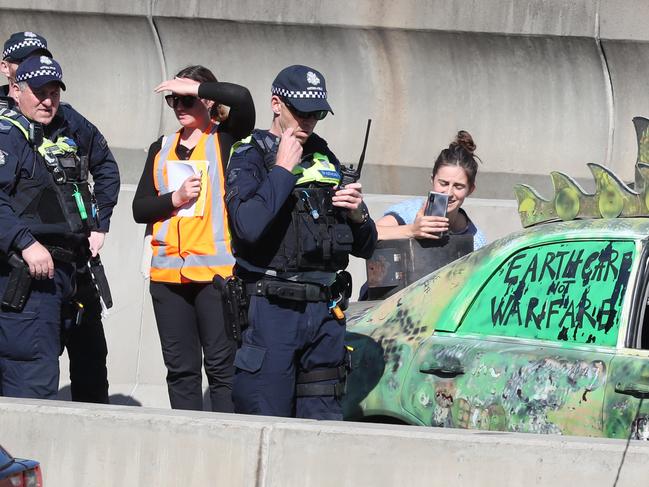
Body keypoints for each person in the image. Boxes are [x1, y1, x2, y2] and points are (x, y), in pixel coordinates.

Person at [225, 64, 377, 420]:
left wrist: (358, 215)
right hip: (272, 307)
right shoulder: (250, 154)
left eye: (317, 114)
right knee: (265, 418)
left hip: (324, 314)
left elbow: (366, 247)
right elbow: (247, 227)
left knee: (323, 425)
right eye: (302, 112)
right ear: (276, 104)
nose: (309, 121)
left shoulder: (326, 157)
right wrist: (281, 170)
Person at [1, 32, 121, 404]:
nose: (47, 99)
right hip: (27, 272)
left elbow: (106, 167)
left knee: (90, 374)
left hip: (73, 271)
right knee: (31, 380)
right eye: (38, 90)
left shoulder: (69, 123)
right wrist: (25, 242)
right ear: (15, 85)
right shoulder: (7, 132)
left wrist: (99, 224)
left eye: (54, 91)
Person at [132, 65, 255, 412]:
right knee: (180, 371)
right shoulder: (162, 146)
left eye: (188, 98)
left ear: (207, 99)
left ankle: (225, 442)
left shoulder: (226, 138)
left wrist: (200, 86)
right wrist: (174, 198)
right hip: (168, 276)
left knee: (221, 369)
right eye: (174, 100)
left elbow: (243, 100)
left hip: (214, 277)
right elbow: (140, 208)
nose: (180, 106)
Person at [376, 130, 487, 250]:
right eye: (443, 183)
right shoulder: (408, 212)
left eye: (458, 186)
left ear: (470, 190)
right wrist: (412, 230)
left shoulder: (475, 240)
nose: (449, 192)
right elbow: (370, 233)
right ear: (432, 179)